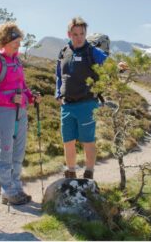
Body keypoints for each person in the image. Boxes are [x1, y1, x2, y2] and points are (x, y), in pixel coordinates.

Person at [55, 17, 125, 179]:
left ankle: (89, 172)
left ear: (85, 34)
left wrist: (118, 67)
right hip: (66, 105)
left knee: (88, 140)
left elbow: (108, 63)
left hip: (86, 103)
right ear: (69, 34)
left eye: (82, 34)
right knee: (68, 141)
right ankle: (71, 171)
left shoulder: (91, 51)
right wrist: (58, 93)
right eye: (75, 34)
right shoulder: (64, 51)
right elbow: (59, 75)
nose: (79, 37)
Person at [0, 22, 35, 205]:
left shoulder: (17, 61)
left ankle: (16, 187)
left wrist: (30, 96)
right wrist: (9, 98)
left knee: (18, 151)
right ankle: (7, 190)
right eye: (15, 42)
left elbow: (22, 85)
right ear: (5, 41)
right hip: (5, 111)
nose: (18, 45)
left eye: (19, 42)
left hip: (21, 111)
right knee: (6, 150)